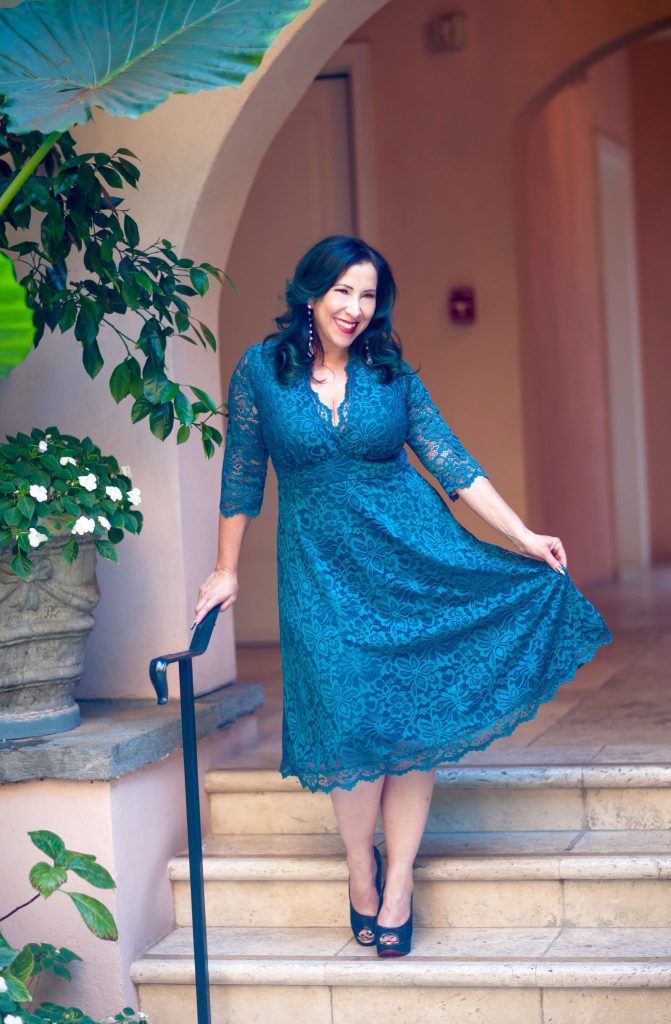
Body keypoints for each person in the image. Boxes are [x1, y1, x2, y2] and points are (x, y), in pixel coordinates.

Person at [193, 235, 613, 958]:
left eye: (367, 296)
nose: (355, 309)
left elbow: (450, 460)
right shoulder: (262, 371)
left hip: (412, 562)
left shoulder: (390, 374)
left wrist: (521, 536)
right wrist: (225, 569)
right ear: (308, 294)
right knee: (350, 722)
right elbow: (240, 478)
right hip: (318, 574)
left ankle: (398, 885)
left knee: (414, 723)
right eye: (342, 293)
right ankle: (361, 866)